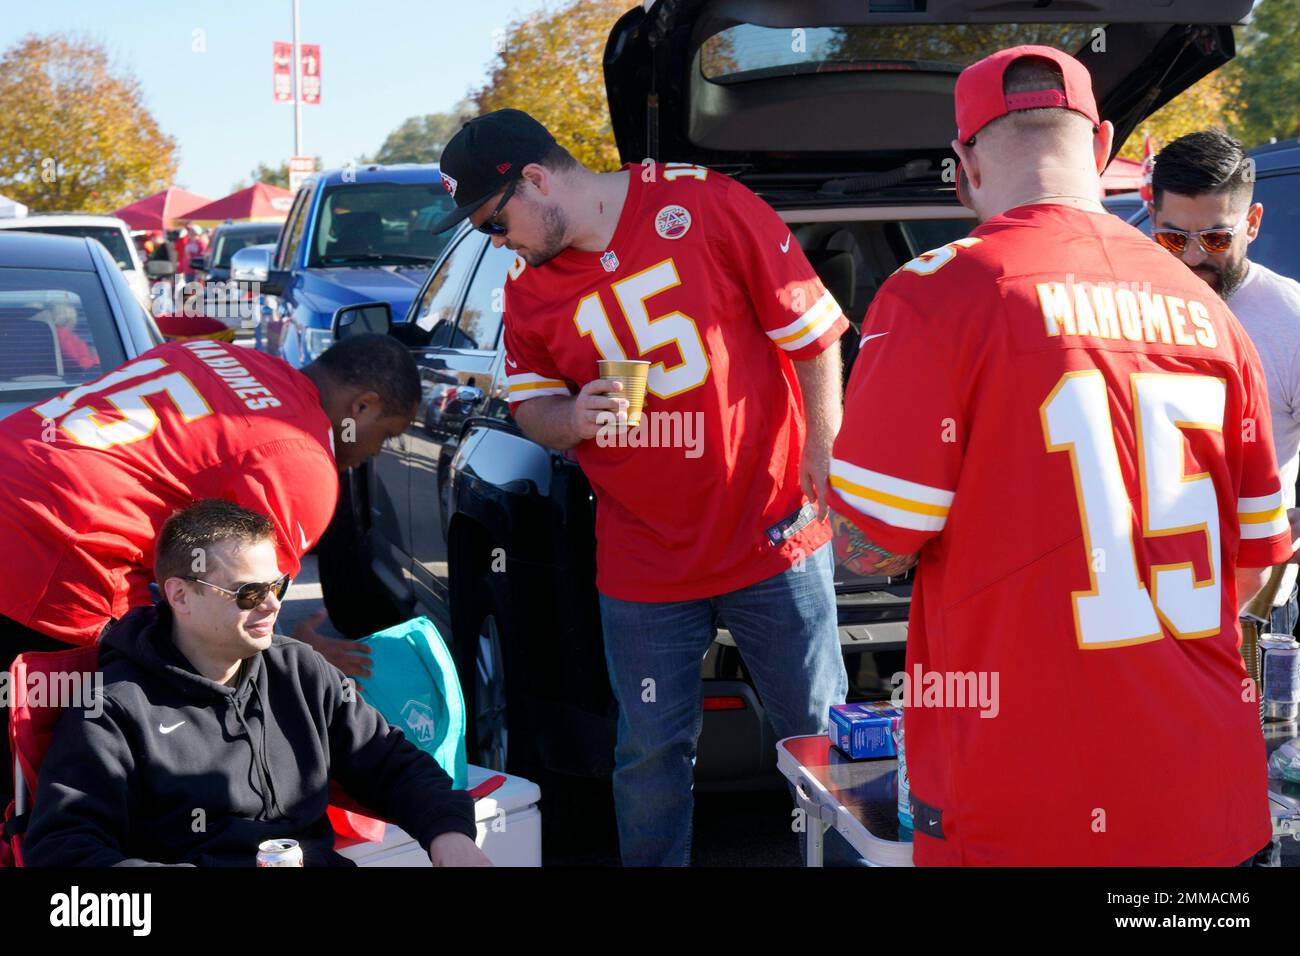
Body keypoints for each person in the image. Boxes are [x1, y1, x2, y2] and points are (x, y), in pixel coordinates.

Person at [826, 45, 1293, 865]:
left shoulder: (934, 293)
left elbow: (872, 546)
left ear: (964, 163)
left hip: (1024, 798)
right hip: (1206, 794)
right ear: (1106, 144)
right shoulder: (1212, 310)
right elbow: (1253, 565)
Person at [431, 109, 850, 866]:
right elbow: (531, 411)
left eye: (495, 224)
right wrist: (572, 417)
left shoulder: (706, 204)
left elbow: (813, 332)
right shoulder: (528, 294)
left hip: (773, 530)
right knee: (650, 754)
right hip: (643, 558)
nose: (498, 245)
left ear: (535, 178)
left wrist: (824, 448)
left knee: (820, 743)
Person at [0, 332, 418, 800]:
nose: (377, 452)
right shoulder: (302, 460)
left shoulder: (219, 353)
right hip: (51, 548)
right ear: (362, 406)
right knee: (92, 755)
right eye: (387, 433)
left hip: (17, 473)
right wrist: (297, 668)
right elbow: (230, 627)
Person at [22, 499, 491, 867]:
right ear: (180, 596)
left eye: (279, 586)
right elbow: (65, 851)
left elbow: (392, 762)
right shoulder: (113, 710)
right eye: (249, 593)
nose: (272, 606)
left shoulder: (299, 670)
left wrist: (448, 835)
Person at [1149, 129, 1300, 637]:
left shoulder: (1291, 319)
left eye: (1216, 238)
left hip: (1251, 611)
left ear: (1252, 223)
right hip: (1137, 606)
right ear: (1152, 221)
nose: (1193, 258)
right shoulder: (1120, 309)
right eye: (1173, 238)